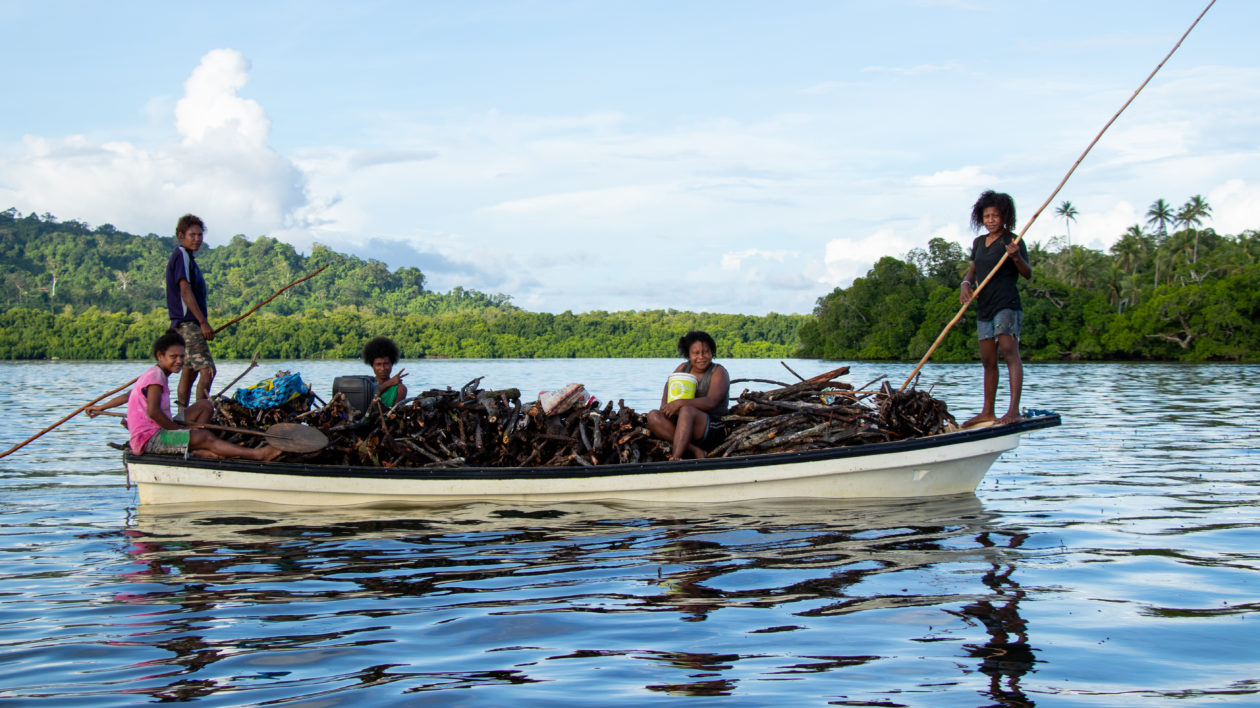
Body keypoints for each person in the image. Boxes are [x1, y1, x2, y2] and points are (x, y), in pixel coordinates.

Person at [87, 330, 282, 461]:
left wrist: (100, 407)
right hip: (151, 439)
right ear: (160, 356)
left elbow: (129, 395)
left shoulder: (154, 374)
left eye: (182, 356)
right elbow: (154, 412)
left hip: (159, 430)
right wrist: (177, 432)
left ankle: (193, 446)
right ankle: (257, 455)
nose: (179, 361)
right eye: (173, 357)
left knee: (205, 405)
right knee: (205, 436)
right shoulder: (155, 377)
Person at [959, 190, 1033, 427]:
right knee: (988, 360)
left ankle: (1013, 411)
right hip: (985, 306)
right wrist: (965, 284)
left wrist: (1016, 257)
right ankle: (987, 411)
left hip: (1006, 304)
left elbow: (1027, 273)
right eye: (986, 216)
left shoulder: (1013, 241)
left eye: (995, 216)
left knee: (1010, 353)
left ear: (1005, 217)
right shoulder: (979, 242)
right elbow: (974, 268)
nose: (990, 220)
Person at [646, 331, 730, 461]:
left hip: (713, 427)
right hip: (684, 426)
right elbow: (668, 386)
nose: (701, 357)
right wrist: (664, 406)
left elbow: (711, 401)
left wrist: (680, 403)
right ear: (688, 354)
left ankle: (676, 457)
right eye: (696, 353)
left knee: (687, 410)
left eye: (705, 352)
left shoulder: (718, 372)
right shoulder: (683, 368)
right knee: (653, 415)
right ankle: (694, 449)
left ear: (712, 352)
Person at [166, 214, 216, 418]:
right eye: (192, 235)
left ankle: (181, 415)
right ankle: (198, 416)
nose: (196, 239)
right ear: (181, 235)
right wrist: (203, 323)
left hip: (183, 325)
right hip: (188, 325)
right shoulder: (181, 255)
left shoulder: (188, 258)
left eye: (199, 235)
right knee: (207, 370)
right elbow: (185, 291)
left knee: (189, 370)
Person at [363, 336, 408, 407]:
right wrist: (389, 383)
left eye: (386, 364)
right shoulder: (366, 386)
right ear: (372, 366)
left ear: (392, 364)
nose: (382, 368)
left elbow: (394, 413)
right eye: (378, 364)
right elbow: (368, 398)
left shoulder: (400, 389)